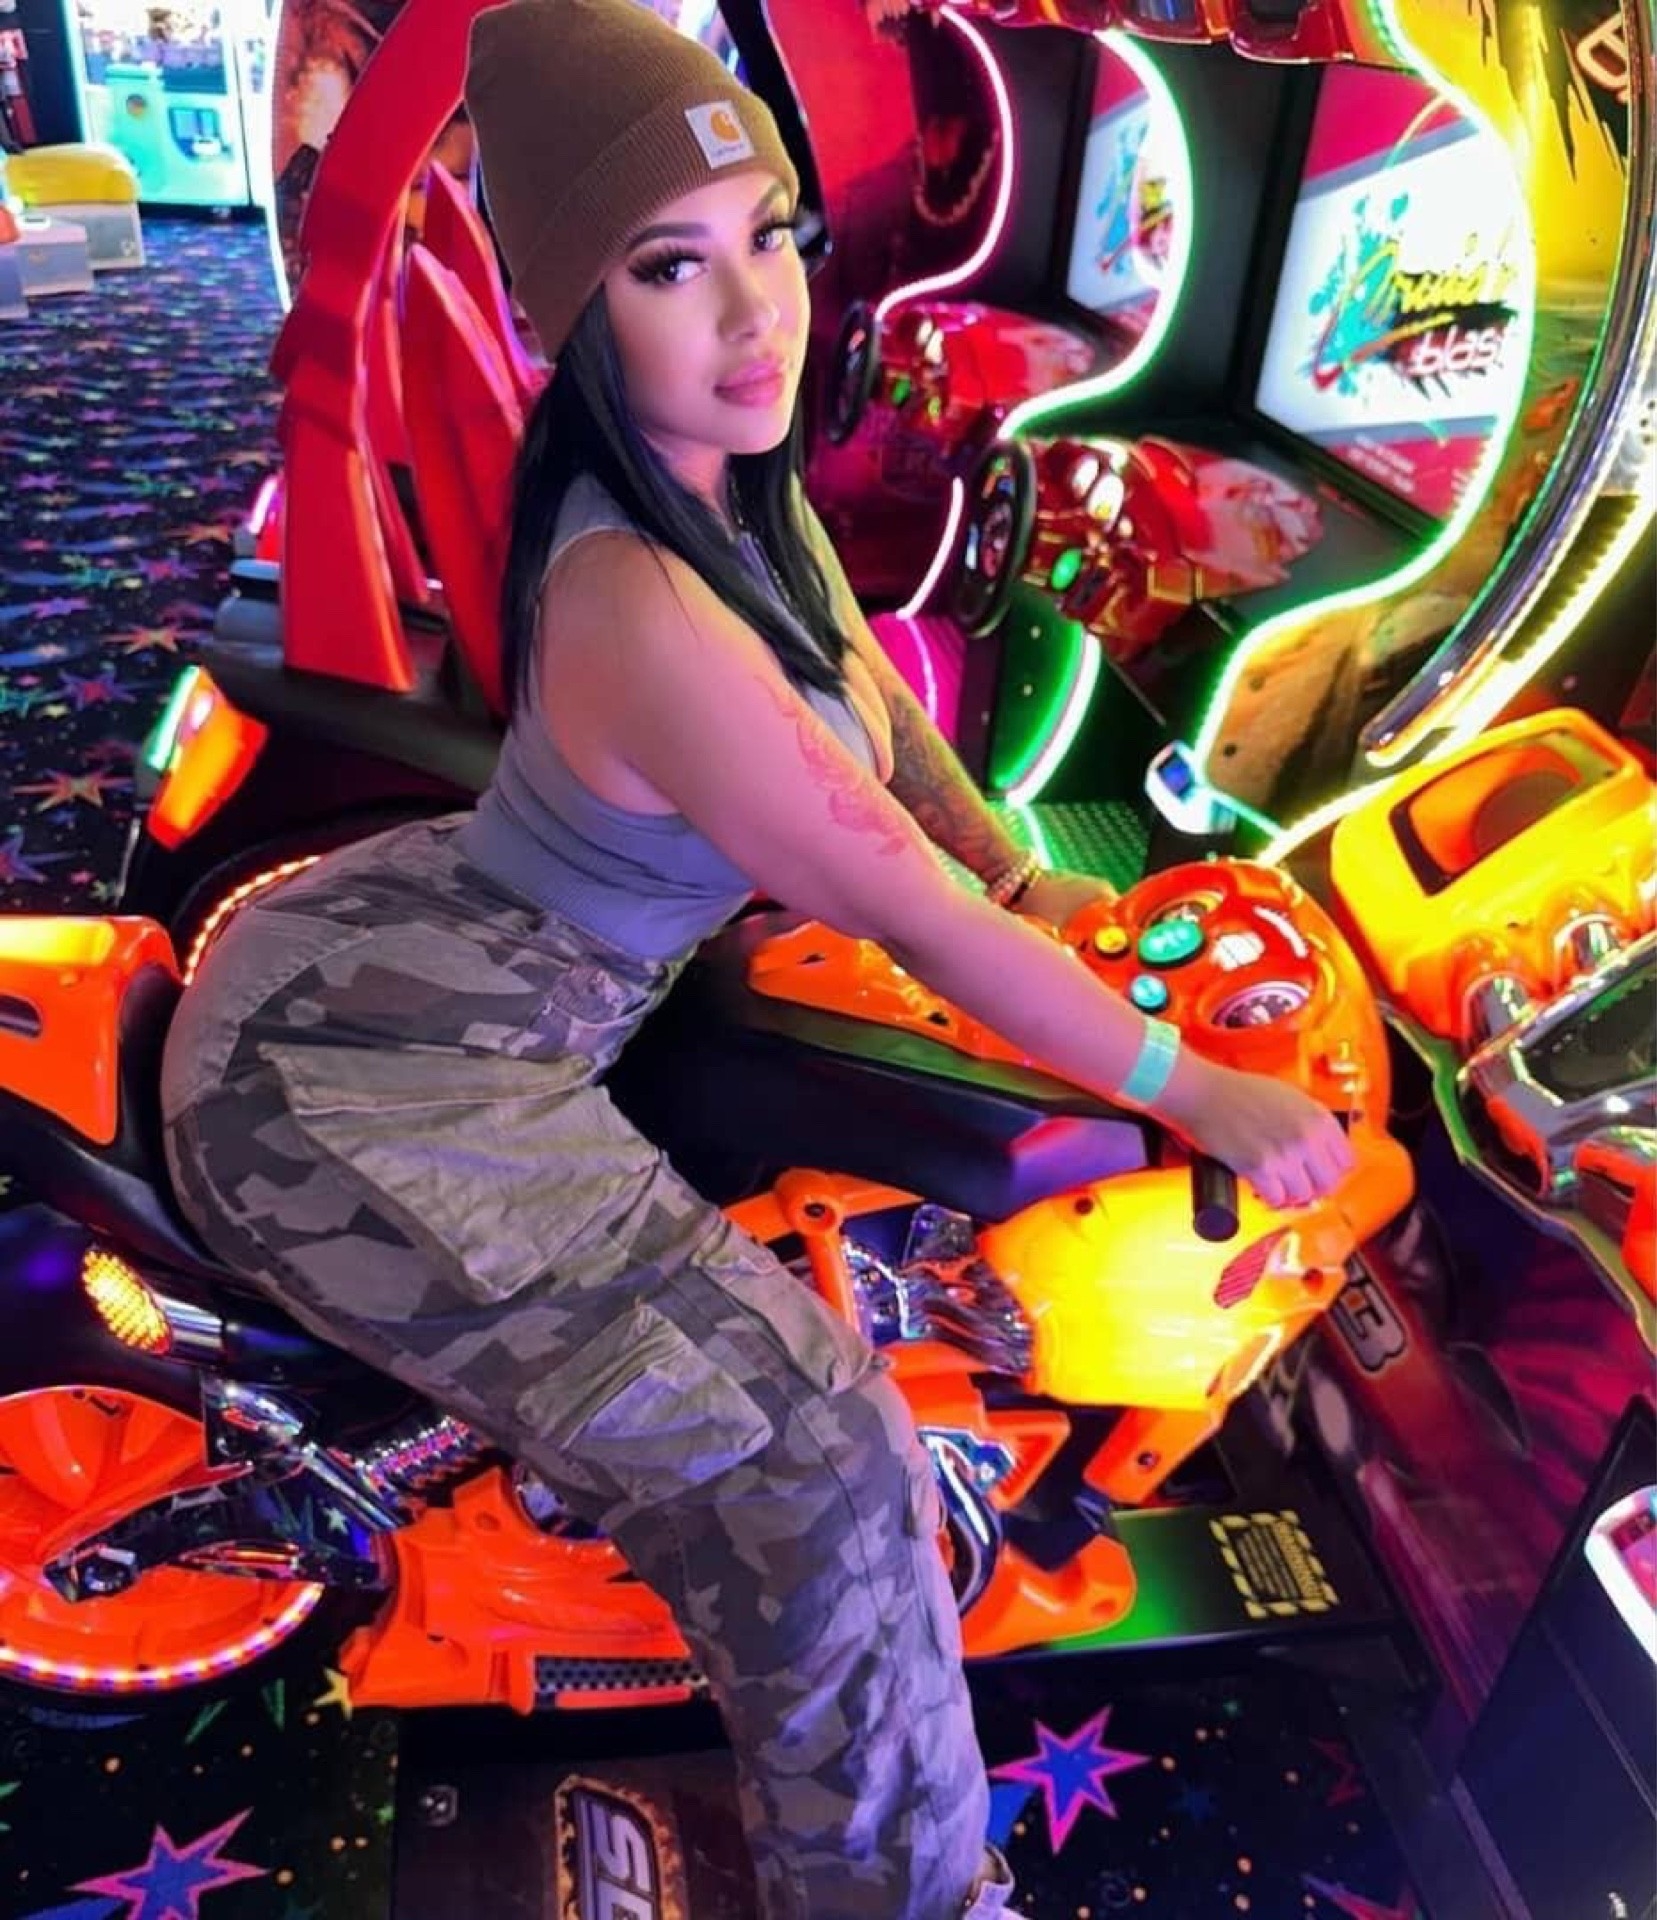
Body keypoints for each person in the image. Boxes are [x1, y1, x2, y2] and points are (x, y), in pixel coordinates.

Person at [160, 3, 1354, 1915]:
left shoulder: (722, 481)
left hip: (445, 955)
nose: (754, 314)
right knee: (814, 1472)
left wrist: (1036, 880)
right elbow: (907, 905)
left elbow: (874, 707)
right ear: (573, 312)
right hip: (374, 1083)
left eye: (769, 238)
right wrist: (1196, 1086)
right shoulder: (644, 604)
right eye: (667, 266)